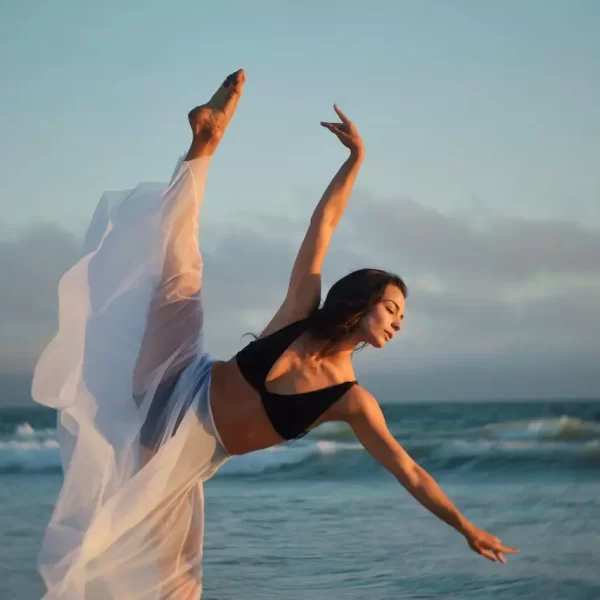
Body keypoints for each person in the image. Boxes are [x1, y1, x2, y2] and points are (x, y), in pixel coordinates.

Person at [32, 69, 517, 600]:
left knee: (175, 588)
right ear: (361, 304)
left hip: (177, 457)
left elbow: (410, 471)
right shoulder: (301, 313)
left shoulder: (352, 399)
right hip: (177, 378)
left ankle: (205, 142)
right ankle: (206, 140)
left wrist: (465, 527)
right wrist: (356, 162)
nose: (399, 322)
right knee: (179, 271)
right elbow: (322, 226)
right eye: (393, 309)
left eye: (402, 318)